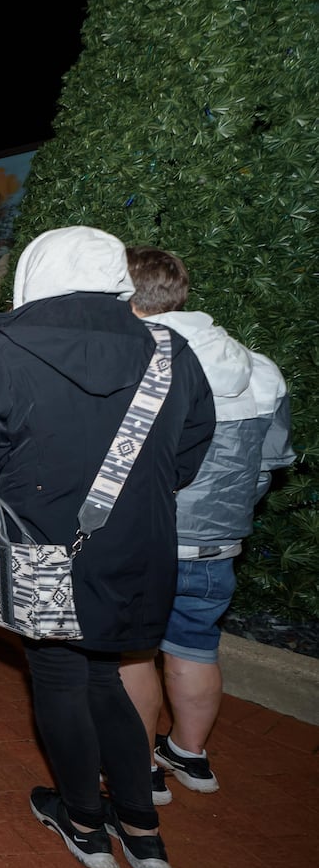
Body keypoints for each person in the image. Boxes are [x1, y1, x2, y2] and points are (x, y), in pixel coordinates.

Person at [0, 226, 214, 868]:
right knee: (104, 675)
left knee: (62, 678)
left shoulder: (5, 348)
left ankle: (81, 820)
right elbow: (189, 448)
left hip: (42, 541)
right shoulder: (170, 347)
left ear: (34, 273)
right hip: (134, 541)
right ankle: (141, 828)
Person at [117, 246, 295, 807]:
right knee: (195, 647)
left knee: (132, 654)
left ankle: (139, 766)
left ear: (127, 295)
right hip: (217, 543)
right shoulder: (256, 366)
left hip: (144, 539)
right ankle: (190, 755)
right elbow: (273, 460)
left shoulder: (134, 361)